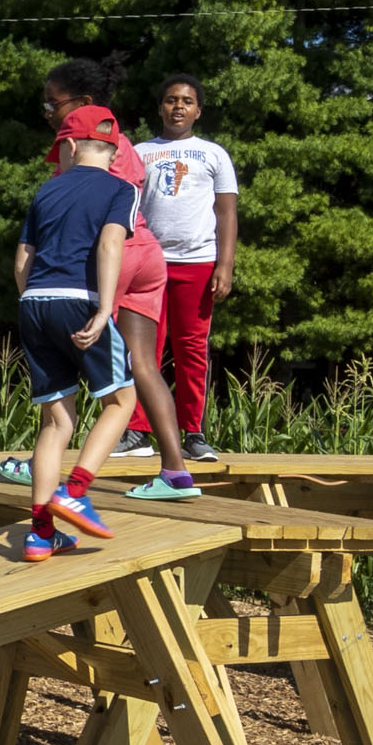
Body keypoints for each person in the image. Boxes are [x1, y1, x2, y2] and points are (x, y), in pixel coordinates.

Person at [0, 59, 201, 502]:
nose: (48, 112)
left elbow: (90, 229)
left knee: (64, 353)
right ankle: (175, 471)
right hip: (149, 253)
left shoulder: (73, 160)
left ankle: (47, 464)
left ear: (81, 110)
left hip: (112, 255)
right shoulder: (122, 145)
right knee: (144, 363)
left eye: (53, 104)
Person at [12, 105, 140, 558]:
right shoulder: (121, 188)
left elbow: (23, 258)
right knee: (122, 400)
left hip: (34, 303)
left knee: (56, 420)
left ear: (67, 147)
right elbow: (109, 243)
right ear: (115, 148)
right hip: (80, 299)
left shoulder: (47, 192)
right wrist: (105, 307)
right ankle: (77, 490)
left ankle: (41, 533)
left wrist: (34, 305)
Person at [123, 70, 240, 461]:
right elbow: (124, 207)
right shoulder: (139, 152)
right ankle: (138, 431)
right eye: (172, 100)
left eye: (187, 101)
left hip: (198, 262)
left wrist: (225, 265)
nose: (178, 107)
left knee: (191, 348)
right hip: (149, 262)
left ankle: (193, 432)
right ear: (160, 107)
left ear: (198, 111)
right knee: (144, 350)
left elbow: (226, 213)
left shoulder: (213, 154)